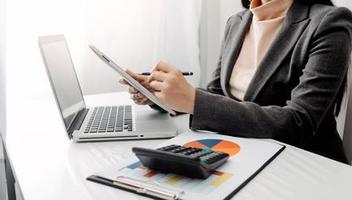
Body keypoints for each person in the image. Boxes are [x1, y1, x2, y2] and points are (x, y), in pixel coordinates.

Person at [121, 0, 352, 163]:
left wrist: (192, 100)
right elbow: (215, 95)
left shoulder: (329, 22)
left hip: (302, 165)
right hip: (241, 152)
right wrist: (160, 93)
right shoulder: (237, 21)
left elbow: (298, 122)